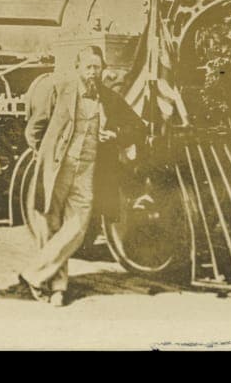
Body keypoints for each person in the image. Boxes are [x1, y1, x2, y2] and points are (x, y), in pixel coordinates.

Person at [19, 46, 146, 307]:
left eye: (97, 67)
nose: (92, 72)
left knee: (77, 227)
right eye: (88, 67)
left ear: (103, 69)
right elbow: (34, 128)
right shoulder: (59, 90)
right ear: (77, 67)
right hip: (58, 169)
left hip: (89, 172)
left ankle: (33, 273)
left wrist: (116, 135)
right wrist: (46, 154)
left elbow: (138, 127)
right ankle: (58, 288)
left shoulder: (109, 99)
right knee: (51, 225)